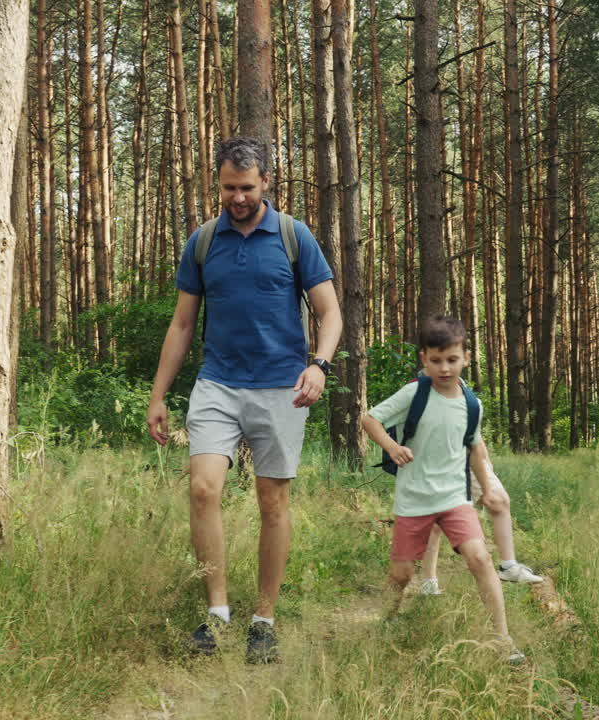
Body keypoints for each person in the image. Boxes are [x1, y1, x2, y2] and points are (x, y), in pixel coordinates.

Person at [147, 137, 342, 664]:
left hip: (282, 387)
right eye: (229, 188)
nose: (237, 197)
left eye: (247, 188)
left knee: (272, 503)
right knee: (203, 488)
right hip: (218, 383)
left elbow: (331, 313)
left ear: (267, 183)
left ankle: (264, 620)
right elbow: (183, 322)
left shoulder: (293, 236)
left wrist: (318, 365)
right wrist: (158, 395)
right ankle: (216, 615)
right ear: (218, 184)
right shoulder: (204, 241)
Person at [361, 315, 526, 665]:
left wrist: (488, 486)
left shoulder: (472, 404)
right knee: (402, 575)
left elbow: (474, 446)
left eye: (452, 359)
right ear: (424, 358)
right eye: (436, 360)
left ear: (465, 357)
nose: (445, 368)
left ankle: (503, 640)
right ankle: (387, 620)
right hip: (413, 499)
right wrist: (392, 447)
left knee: (480, 558)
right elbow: (370, 418)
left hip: (454, 498)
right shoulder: (415, 393)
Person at [419, 458, 542, 596]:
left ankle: (508, 566)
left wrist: (483, 454)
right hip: (430, 454)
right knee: (434, 519)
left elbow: (473, 435)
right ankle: (429, 582)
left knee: (499, 500)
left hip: (466, 450)